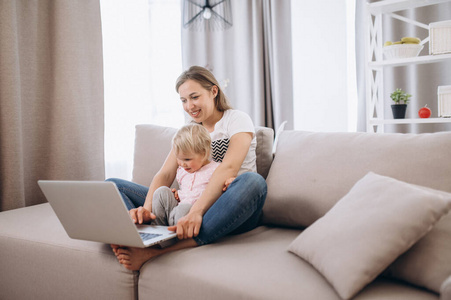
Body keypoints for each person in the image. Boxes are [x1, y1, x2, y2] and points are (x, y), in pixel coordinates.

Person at [108, 65, 267, 271]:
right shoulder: (191, 129)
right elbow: (165, 173)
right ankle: (143, 235)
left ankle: (156, 253)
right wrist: (146, 209)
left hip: (228, 205)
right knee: (113, 185)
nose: (189, 106)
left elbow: (228, 168)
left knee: (254, 182)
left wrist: (197, 211)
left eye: (194, 97)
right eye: (183, 100)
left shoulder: (236, 119)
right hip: (188, 204)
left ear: (213, 91)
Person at [153, 123, 231, 227]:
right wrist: (177, 195)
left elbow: (226, 188)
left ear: (204, 153)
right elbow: (186, 191)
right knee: (161, 191)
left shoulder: (216, 169)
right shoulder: (182, 171)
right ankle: (157, 231)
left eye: (187, 159)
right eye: (178, 158)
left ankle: (176, 232)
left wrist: (231, 183)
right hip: (178, 207)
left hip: (196, 213)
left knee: (183, 209)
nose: (181, 163)